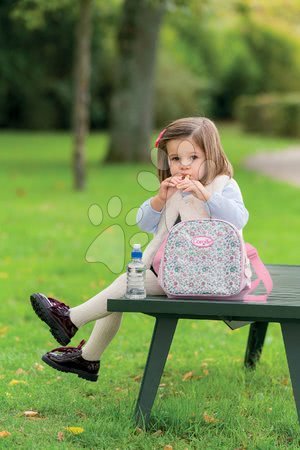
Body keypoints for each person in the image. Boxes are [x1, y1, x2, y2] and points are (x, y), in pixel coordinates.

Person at [30, 117, 249, 382]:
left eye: (193, 157)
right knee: (126, 285)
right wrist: (159, 199)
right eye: (175, 159)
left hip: (217, 276)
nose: (184, 165)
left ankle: (71, 322)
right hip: (178, 274)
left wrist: (206, 196)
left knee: (127, 284)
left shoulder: (223, 186)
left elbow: (239, 218)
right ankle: (86, 355)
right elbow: (145, 223)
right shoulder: (174, 191)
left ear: (211, 156)